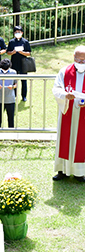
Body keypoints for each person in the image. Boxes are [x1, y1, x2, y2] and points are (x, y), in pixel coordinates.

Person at [52, 45, 85, 182]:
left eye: (84, 61)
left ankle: (79, 172)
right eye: (79, 60)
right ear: (74, 57)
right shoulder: (64, 71)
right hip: (67, 111)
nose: (81, 63)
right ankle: (62, 171)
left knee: (81, 142)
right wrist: (66, 95)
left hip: (83, 113)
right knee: (64, 140)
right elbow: (56, 89)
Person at [7, 26, 31, 102]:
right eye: (16, 32)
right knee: (14, 80)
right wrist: (12, 52)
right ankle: (14, 95)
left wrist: (22, 52)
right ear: (14, 33)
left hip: (23, 64)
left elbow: (29, 53)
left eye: (19, 32)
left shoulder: (25, 42)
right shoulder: (11, 42)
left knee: (24, 81)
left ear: (22, 33)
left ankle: (24, 96)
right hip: (14, 63)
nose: (18, 33)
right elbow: (8, 52)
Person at [0, 59, 17, 128]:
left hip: (10, 98)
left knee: (11, 118)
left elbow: (16, 84)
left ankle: (11, 132)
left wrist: (12, 86)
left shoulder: (14, 72)